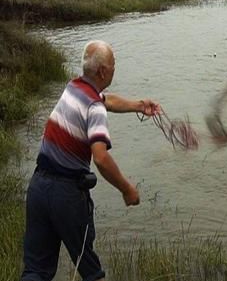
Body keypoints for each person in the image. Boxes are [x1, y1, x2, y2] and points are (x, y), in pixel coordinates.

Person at [21, 40, 160, 281]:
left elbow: (107, 100)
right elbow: (101, 157)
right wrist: (127, 189)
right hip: (66, 195)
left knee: (36, 271)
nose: (116, 68)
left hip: (38, 188)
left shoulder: (73, 88)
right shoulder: (94, 108)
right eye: (114, 64)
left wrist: (139, 106)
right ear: (103, 71)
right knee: (91, 273)